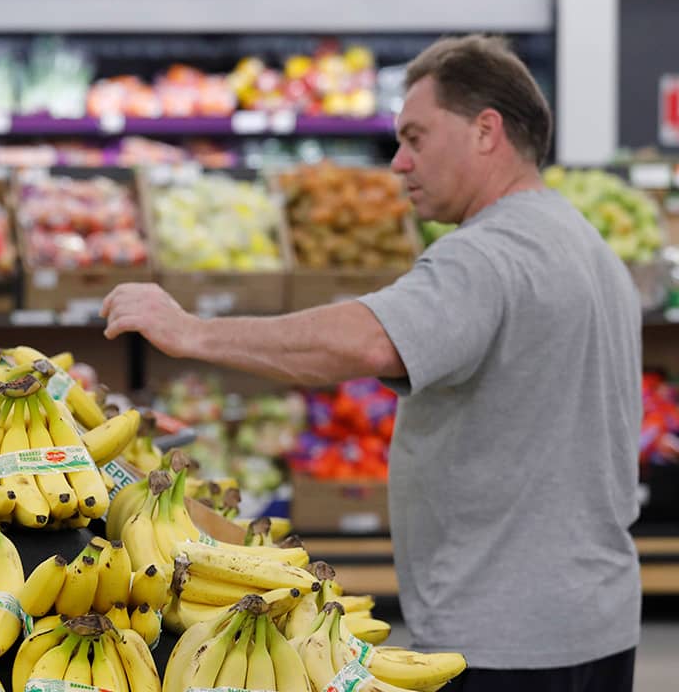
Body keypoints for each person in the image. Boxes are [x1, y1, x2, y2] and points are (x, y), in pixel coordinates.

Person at [101, 35, 640, 692]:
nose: (398, 163)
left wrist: (192, 333)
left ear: (486, 131)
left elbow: (364, 340)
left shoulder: (486, 255)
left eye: (416, 137)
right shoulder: (584, 244)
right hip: (600, 620)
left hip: (508, 636)